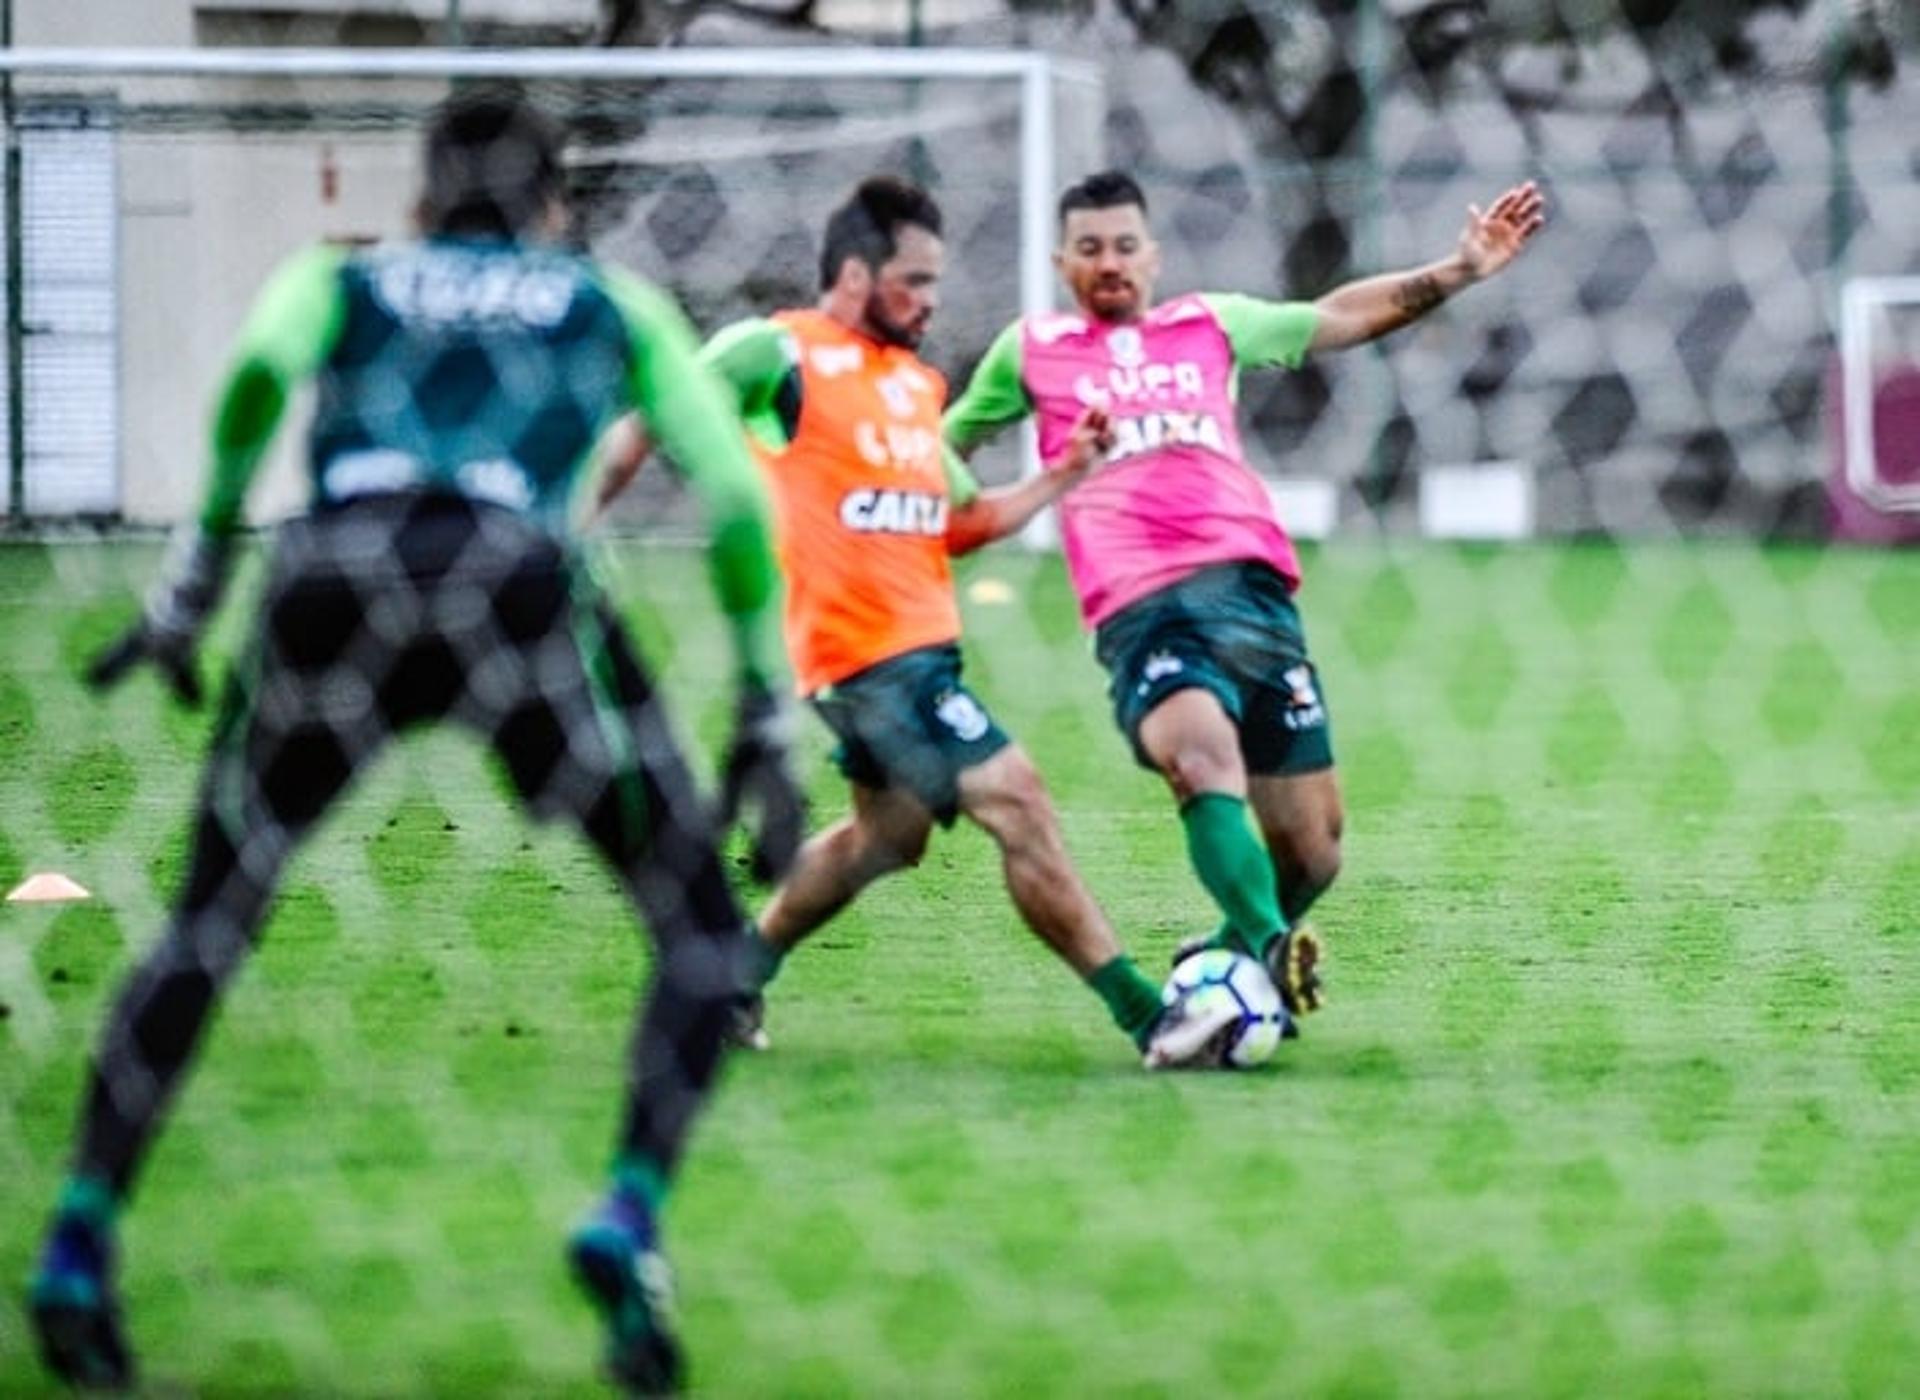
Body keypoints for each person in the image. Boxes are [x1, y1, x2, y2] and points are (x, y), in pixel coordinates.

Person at [24, 91, 800, 1395]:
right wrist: (765, 711)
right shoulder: (600, 298)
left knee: (208, 922)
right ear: (554, 209)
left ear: (423, 204)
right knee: (702, 934)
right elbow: (728, 488)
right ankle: (626, 1218)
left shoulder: (349, 276)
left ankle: (78, 1243)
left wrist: (195, 584)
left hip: (336, 572)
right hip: (517, 585)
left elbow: (263, 372)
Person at [595, 177, 1227, 1070]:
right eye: (916, 281)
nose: (933, 301)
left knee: (884, 839)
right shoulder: (779, 353)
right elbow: (656, 413)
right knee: (1020, 801)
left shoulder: (914, 388)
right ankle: (1153, 1020)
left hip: (917, 652)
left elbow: (964, 524)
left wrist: (1066, 472)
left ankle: (727, 978)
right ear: (856, 276)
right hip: (864, 657)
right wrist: (572, 514)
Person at [946, 170, 1546, 1063]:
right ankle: (1269, 946)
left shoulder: (1209, 324)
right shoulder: (1029, 349)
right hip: (1145, 601)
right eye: (1088, 248)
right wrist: (994, 504)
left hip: (1255, 594)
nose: (1107, 263)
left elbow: (1336, 317)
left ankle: (1224, 962)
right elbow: (939, 443)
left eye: (1122, 245)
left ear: (1150, 255)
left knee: (1314, 852)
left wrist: (1456, 270)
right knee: (1199, 757)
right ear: (1060, 261)